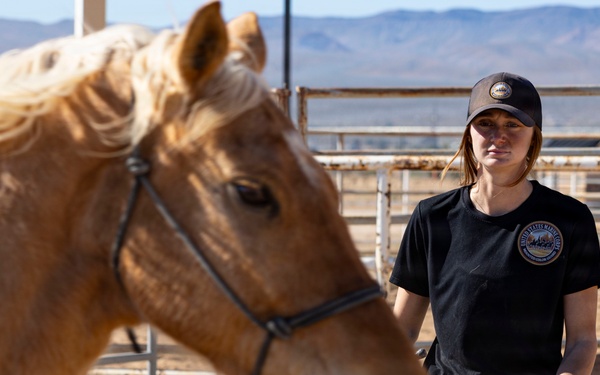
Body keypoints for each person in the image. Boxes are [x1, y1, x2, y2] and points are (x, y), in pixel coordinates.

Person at [390, 72, 600, 375]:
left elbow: (582, 340)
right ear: (468, 134)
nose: (498, 136)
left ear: (533, 136)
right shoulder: (431, 217)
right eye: (485, 123)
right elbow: (403, 331)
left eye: (513, 124)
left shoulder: (569, 220)